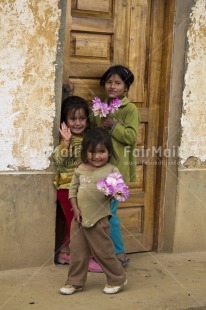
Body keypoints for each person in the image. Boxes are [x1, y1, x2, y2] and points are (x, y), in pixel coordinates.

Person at [59, 128, 127, 295]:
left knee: (103, 251)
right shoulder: (80, 169)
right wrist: (75, 209)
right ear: (85, 152)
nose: (97, 156)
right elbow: (72, 190)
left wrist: (111, 192)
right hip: (79, 219)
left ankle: (117, 278)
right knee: (78, 253)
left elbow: (120, 194)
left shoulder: (112, 171)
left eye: (101, 152)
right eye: (92, 152)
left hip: (99, 219)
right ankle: (75, 282)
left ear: (109, 152)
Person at [90, 65, 140, 267]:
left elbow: (131, 137)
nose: (112, 86)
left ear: (126, 88)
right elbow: (92, 134)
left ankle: (119, 253)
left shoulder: (130, 110)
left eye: (118, 83)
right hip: (98, 167)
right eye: (109, 82)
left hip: (116, 171)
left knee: (110, 213)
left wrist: (113, 125)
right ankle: (100, 252)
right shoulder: (98, 108)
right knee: (98, 212)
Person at [53, 95, 90, 265]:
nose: (77, 123)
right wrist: (65, 144)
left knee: (77, 222)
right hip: (67, 189)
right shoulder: (66, 140)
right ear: (65, 121)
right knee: (75, 224)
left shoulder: (87, 139)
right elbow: (59, 160)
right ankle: (79, 258)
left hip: (82, 189)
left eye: (82, 118)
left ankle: (64, 253)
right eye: (73, 118)